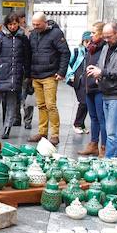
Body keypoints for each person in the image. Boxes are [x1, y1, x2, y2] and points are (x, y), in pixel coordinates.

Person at [86, 21, 117, 158]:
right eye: (104, 37)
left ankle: (108, 164)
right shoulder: (107, 46)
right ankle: (116, 161)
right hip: (107, 92)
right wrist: (96, 72)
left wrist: (102, 72)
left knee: (111, 133)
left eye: (109, 37)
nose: (106, 40)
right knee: (114, 131)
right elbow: (101, 63)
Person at [28, 11, 70, 145]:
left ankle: (55, 134)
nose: (35, 27)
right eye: (33, 24)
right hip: (36, 74)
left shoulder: (56, 34)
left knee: (51, 105)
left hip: (50, 75)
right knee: (41, 105)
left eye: (38, 24)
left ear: (45, 22)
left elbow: (65, 53)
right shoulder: (33, 34)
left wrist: (61, 72)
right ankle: (42, 132)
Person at [0, 12, 31, 138]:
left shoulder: (23, 38)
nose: (13, 26)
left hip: (15, 74)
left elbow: (27, 57)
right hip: (1, 73)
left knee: (12, 103)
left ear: (18, 24)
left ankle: (7, 128)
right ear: (6, 24)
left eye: (15, 24)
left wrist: (27, 74)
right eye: (10, 24)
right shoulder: (0, 37)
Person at [79, 21, 107, 157]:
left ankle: (104, 147)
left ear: (102, 34)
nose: (91, 35)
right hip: (89, 86)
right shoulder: (91, 47)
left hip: (99, 87)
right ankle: (93, 144)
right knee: (93, 117)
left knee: (102, 118)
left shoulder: (105, 48)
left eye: (94, 32)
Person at [65, 31, 91, 134]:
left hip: (89, 82)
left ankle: (81, 124)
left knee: (87, 102)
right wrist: (70, 75)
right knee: (83, 102)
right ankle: (77, 124)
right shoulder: (76, 51)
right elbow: (68, 63)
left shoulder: (93, 52)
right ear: (83, 41)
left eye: (90, 41)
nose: (88, 44)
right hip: (78, 81)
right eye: (86, 41)